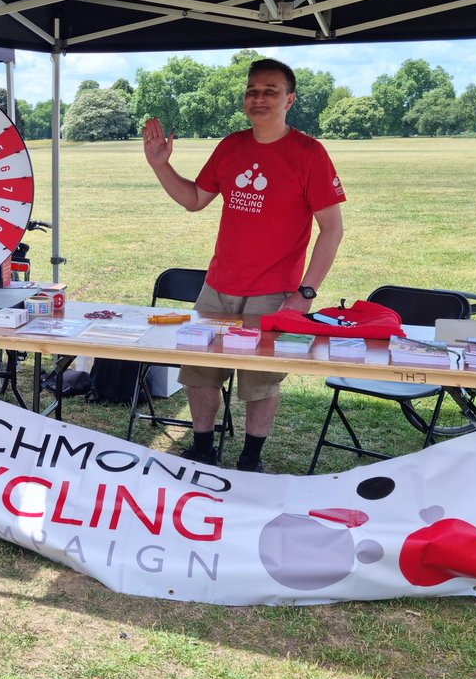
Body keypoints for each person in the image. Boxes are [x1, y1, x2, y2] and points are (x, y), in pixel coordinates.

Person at [142, 58, 345, 472]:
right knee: (198, 373)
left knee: (260, 381)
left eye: (270, 91)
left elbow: (332, 230)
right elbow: (195, 200)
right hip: (218, 285)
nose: (259, 98)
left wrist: (305, 292)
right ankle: (202, 447)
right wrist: (160, 165)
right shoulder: (231, 147)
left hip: (273, 293)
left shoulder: (309, 153)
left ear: (289, 99)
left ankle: (250, 458)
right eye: (253, 91)